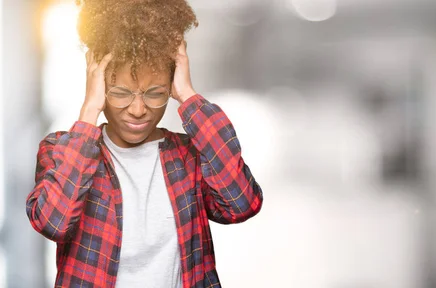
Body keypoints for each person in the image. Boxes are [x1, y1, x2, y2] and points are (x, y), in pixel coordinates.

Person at [25, 0, 263, 287]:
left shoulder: (190, 157)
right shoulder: (61, 151)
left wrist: (188, 95)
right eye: (121, 92)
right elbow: (53, 221)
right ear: (98, 84)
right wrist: (89, 110)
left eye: (155, 93)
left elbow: (241, 204)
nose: (138, 109)